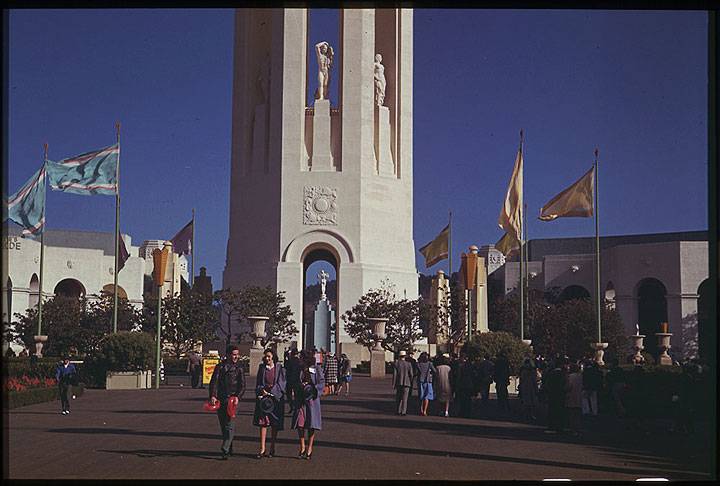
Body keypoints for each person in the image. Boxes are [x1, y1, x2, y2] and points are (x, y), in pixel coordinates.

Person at [209, 345, 246, 459]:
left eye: (237, 354)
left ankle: (225, 448)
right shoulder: (220, 367)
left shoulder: (239, 368)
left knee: (230, 424)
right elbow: (214, 382)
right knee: (223, 425)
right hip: (221, 399)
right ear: (229, 355)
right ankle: (229, 447)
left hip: (233, 399)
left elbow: (242, 385)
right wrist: (213, 396)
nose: (236, 357)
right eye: (234, 354)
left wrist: (237, 397)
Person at [253, 348, 286, 459]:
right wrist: (262, 390)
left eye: (269, 357)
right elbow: (258, 382)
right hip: (264, 399)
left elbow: (282, 383)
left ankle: (272, 447)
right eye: (265, 356)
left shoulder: (279, 368)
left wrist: (273, 392)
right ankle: (262, 448)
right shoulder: (262, 368)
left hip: (275, 399)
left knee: (274, 423)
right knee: (263, 423)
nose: (267, 359)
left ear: (273, 357)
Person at [292, 351, 325, 459]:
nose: (299, 360)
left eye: (301, 358)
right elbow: (294, 381)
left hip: (312, 400)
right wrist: (300, 385)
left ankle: (310, 447)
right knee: (300, 424)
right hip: (301, 400)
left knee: (311, 424)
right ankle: (302, 446)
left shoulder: (316, 369)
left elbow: (321, 383)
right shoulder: (298, 369)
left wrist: (313, 389)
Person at [542, 356, 569, 433]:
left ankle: (552, 426)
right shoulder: (563, 374)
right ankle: (560, 426)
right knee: (560, 411)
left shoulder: (551, 373)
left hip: (552, 394)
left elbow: (547, 384)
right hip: (560, 394)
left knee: (552, 410)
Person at [392, 350, 414, 416]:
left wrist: (393, 383)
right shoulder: (408, 364)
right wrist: (411, 381)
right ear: (405, 356)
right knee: (405, 398)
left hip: (399, 382)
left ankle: (397, 411)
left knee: (398, 398)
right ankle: (403, 411)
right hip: (407, 383)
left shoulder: (396, 364)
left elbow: (395, 375)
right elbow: (411, 374)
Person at [415, 352, 437, 416]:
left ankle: (421, 410)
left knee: (421, 396)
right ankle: (425, 411)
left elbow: (416, 373)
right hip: (428, 381)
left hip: (420, 381)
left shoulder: (418, 364)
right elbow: (434, 371)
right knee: (426, 397)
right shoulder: (430, 364)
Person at [565, 362, 584, 436]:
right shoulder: (580, 376)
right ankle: (578, 429)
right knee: (577, 414)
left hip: (571, 395)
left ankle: (572, 429)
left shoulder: (570, 376)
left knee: (571, 414)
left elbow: (569, 386)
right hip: (578, 395)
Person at [518, 357, 539, 422]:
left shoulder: (523, 370)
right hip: (531, 386)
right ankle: (531, 414)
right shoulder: (533, 371)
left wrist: (520, 386)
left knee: (525, 401)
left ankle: (525, 414)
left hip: (525, 386)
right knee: (532, 401)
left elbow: (521, 379)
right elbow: (535, 380)